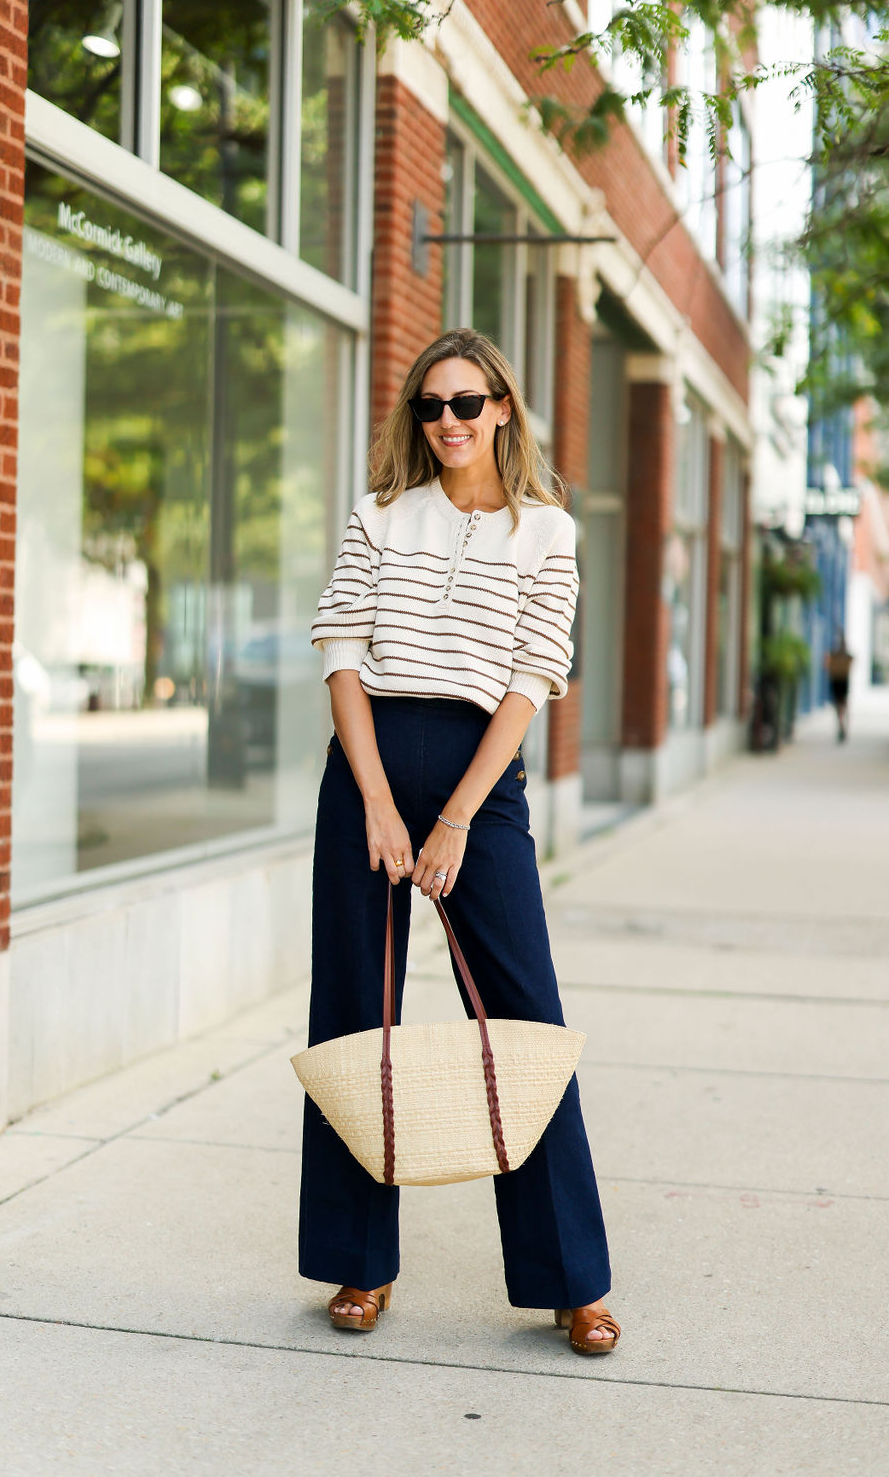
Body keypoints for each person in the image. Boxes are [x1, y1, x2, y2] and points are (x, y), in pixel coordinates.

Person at [298, 328, 618, 1356]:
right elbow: (343, 655)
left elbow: (532, 677)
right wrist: (377, 800)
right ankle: (360, 1264)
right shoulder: (379, 516)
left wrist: (452, 817)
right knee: (356, 1012)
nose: (448, 423)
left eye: (467, 404)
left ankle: (572, 1277)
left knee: (525, 1016)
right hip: (369, 766)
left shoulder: (547, 532)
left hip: (481, 778)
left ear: (503, 409)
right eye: (431, 406)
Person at [824, 632, 853, 742]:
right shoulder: (836, 655)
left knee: (842, 706)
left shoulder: (843, 656)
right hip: (838, 681)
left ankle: (843, 727)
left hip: (840, 681)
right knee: (840, 706)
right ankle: (842, 726)